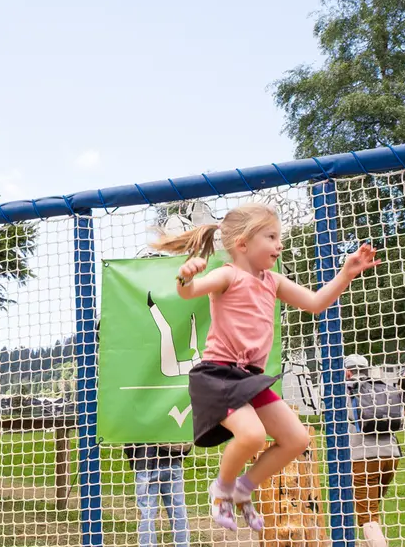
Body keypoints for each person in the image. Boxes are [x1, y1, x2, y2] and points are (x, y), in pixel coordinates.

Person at [155, 204, 379, 529]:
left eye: (280, 237)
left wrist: (346, 273)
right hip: (219, 376)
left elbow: (316, 304)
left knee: (297, 439)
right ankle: (221, 488)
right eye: (271, 237)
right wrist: (184, 275)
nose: (280, 244)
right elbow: (189, 291)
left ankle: (245, 487)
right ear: (243, 244)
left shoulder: (273, 281)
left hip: (250, 379)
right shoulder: (228, 275)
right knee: (253, 436)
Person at [344, 354, 401, 547]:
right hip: (391, 456)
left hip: (362, 458)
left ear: (347, 372)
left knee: (368, 517)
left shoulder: (342, 392)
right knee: (373, 511)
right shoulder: (382, 388)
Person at [124, 442, 192, 547]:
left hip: (145, 463)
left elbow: (129, 441)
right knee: (178, 509)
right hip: (173, 462)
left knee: (147, 511)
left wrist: (134, 458)